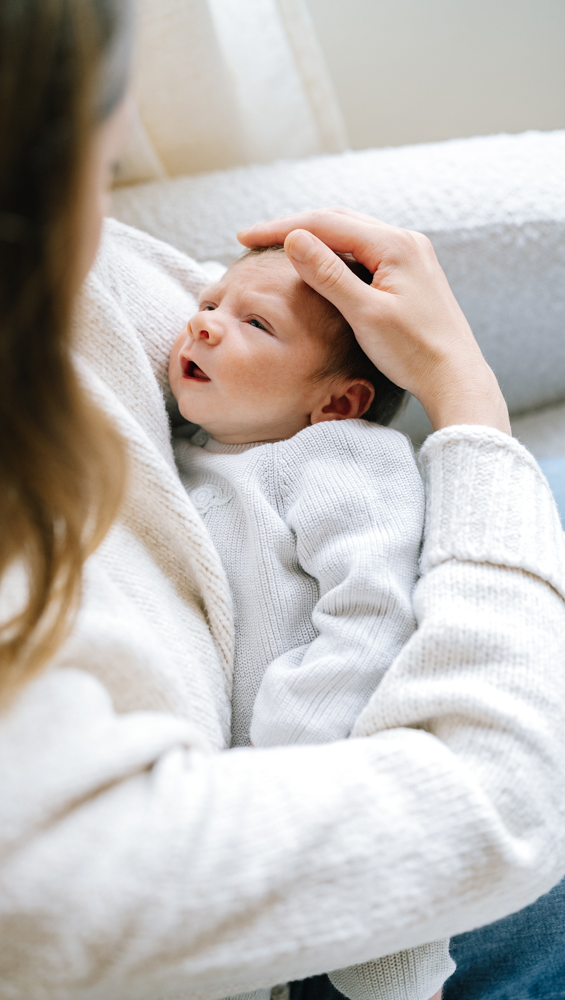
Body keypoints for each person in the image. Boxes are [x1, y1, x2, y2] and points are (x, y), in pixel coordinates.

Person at [0, 4, 565, 1000]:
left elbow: (366, 584)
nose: (200, 326)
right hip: (369, 889)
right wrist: (463, 392)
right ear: (8, 198)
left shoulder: (62, 301)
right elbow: (495, 806)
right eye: (107, 164)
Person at [171, 243, 453, 1000]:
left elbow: (373, 610)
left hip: (323, 747)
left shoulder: (338, 457)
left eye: (253, 323)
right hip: (222, 789)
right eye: (207, 305)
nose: (203, 327)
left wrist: (295, 747)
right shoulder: (180, 456)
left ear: (335, 401)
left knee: (381, 898)